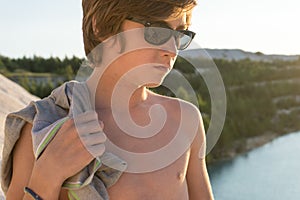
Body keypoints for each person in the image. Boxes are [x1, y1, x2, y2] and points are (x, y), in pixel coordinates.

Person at [2, 0, 214, 199]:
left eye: (179, 35)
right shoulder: (43, 128)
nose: (171, 50)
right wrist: (46, 176)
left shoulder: (186, 119)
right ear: (101, 28)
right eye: (155, 31)